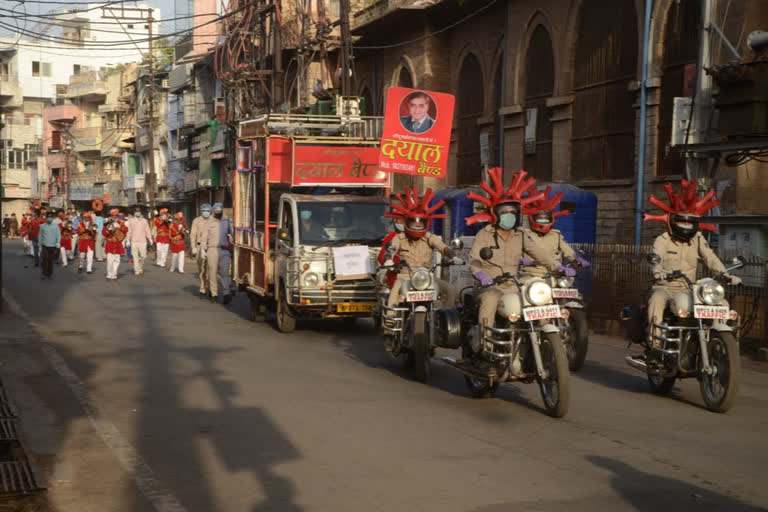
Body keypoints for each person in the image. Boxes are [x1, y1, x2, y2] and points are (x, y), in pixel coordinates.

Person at [465, 168, 571, 328]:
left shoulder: (520, 234)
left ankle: (545, 335)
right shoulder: (484, 234)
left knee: (537, 298)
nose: (509, 215)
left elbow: (539, 253)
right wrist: (480, 274)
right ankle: (485, 340)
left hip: (514, 285)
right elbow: (474, 260)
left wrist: (558, 267)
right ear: (496, 213)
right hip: (489, 286)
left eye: (513, 211)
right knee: (491, 299)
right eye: (504, 211)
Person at [644, 180, 741, 341]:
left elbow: (710, 258)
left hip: (691, 289)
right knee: (657, 299)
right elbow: (656, 258)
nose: (686, 225)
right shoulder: (663, 239)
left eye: (690, 222)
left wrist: (726, 275)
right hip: (666, 286)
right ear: (674, 221)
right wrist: (657, 271)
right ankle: (656, 340)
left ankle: (717, 340)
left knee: (721, 303)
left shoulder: (697, 238)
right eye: (682, 221)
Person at [384, 187, 458, 316]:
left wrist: (453, 256)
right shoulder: (400, 237)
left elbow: (442, 246)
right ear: (407, 222)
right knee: (395, 291)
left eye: (420, 223)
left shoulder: (430, 237)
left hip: (427, 277)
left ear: (426, 223)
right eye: (413, 223)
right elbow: (392, 247)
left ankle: (444, 320)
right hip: (406, 276)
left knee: (451, 290)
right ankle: (392, 322)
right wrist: (389, 258)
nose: (417, 226)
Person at [520, 185, 590, 279]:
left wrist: (576, 258)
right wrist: (520, 259)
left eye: (546, 220)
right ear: (532, 219)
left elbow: (567, 250)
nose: (543, 223)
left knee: (570, 290)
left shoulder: (556, 235)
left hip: (555, 273)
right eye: (540, 220)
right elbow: (514, 252)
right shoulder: (524, 234)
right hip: (531, 273)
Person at [198, 203, 234, 304]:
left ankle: (226, 293)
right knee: (212, 272)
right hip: (212, 250)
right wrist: (202, 250)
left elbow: (232, 234)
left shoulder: (226, 222)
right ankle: (214, 293)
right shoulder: (209, 223)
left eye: (220, 211)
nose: (218, 212)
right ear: (213, 212)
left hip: (224, 250)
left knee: (225, 272)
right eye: (216, 211)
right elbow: (204, 238)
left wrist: (232, 238)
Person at [190, 203, 212, 298]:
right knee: (202, 269)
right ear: (201, 211)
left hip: (210, 246)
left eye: (207, 211)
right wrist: (193, 247)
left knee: (211, 269)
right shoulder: (197, 220)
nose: (206, 213)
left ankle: (211, 288)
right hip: (200, 247)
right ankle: (202, 288)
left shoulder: (213, 220)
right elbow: (193, 234)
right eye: (204, 211)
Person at [377, 215, 405, 290]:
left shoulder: (424, 237)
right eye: (396, 220)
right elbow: (382, 255)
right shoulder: (391, 236)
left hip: (420, 276)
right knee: (394, 298)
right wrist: (388, 261)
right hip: (396, 275)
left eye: (400, 220)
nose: (397, 222)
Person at [103, 208, 129, 280]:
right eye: (113, 215)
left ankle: (114, 275)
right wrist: (108, 230)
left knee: (117, 260)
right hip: (110, 243)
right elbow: (104, 232)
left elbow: (126, 230)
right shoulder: (107, 223)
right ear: (111, 215)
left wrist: (120, 227)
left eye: (116, 215)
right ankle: (109, 274)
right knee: (109, 260)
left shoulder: (121, 222)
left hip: (117, 243)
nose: (114, 217)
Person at [126, 207, 153, 275]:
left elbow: (147, 230)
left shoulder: (144, 221)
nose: (137, 212)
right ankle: (136, 270)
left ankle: (140, 267)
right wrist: (128, 240)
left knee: (143, 256)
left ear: (141, 212)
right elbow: (129, 231)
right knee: (135, 257)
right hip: (134, 241)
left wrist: (150, 238)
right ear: (134, 213)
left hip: (142, 241)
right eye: (136, 211)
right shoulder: (131, 221)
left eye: (139, 211)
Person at [38, 211, 61, 280]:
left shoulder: (55, 226)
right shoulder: (42, 226)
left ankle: (49, 274)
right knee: (44, 260)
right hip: (45, 245)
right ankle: (44, 273)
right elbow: (40, 236)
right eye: (48, 217)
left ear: (53, 218)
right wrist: (39, 245)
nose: (49, 218)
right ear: (46, 217)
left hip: (52, 245)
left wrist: (58, 242)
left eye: (51, 217)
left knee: (50, 260)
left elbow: (58, 235)